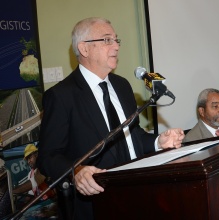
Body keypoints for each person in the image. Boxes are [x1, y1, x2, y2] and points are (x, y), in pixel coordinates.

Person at [37, 17, 184, 220]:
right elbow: (48, 157)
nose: (116, 46)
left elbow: (132, 137)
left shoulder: (122, 86)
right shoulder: (61, 95)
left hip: (135, 195)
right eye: (107, 40)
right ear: (84, 49)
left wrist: (158, 142)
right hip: (94, 206)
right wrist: (76, 171)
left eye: (116, 40)